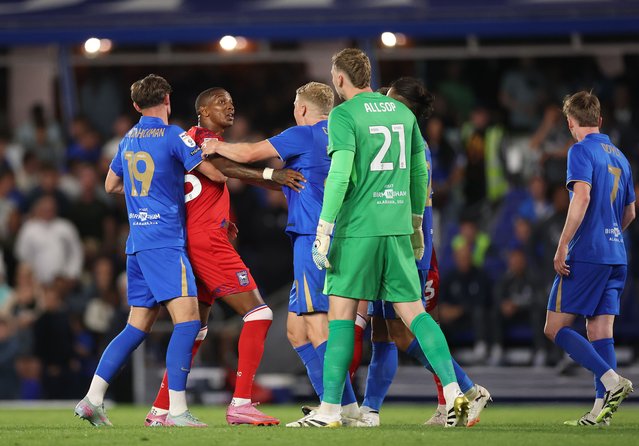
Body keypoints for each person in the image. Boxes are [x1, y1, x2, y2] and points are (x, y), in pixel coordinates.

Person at [299, 48, 467, 428]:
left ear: (340, 78)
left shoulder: (343, 114)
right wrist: (416, 225)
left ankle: (329, 410)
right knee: (415, 314)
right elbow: (420, 176)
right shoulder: (402, 113)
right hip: (396, 229)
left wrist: (324, 228)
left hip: (357, 229)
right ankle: (456, 391)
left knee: (342, 316)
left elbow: (340, 174)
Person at [200, 82, 364, 426]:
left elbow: (247, 154)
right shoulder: (343, 134)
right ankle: (343, 407)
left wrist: (215, 144)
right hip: (340, 235)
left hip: (311, 235)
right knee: (295, 330)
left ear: (302, 109)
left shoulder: (302, 134)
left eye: (294, 104)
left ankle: (335, 409)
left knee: (317, 324)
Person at [74, 74, 229, 427]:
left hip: (137, 243)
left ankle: (92, 398)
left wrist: (141, 194)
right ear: (168, 100)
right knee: (189, 322)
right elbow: (215, 177)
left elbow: (111, 184)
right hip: (164, 241)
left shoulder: (128, 138)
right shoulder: (174, 135)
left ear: (135, 105)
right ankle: (175, 411)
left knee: (135, 327)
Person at [144, 87, 304, 427]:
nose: (230, 108)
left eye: (232, 102)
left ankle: (160, 409)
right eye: (221, 103)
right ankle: (242, 402)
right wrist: (269, 174)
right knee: (259, 314)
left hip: (194, 237)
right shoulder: (199, 138)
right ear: (202, 110)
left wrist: (223, 218)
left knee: (196, 329)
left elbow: (201, 187)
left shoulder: (186, 141)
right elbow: (222, 168)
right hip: (206, 242)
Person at [357, 77, 491, 428]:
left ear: (400, 104)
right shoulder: (408, 140)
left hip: (409, 248)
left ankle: (466, 388)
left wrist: (419, 253)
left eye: (387, 97)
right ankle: (370, 410)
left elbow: (418, 203)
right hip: (396, 243)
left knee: (404, 331)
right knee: (384, 333)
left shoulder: (412, 144)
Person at [543, 91, 635, 427]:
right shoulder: (621, 157)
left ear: (570, 122)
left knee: (554, 328)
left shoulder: (580, 150)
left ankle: (612, 381)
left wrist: (563, 243)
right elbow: (630, 211)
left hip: (588, 254)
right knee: (600, 331)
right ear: (599, 119)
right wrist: (610, 232)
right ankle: (601, 413)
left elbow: (580, 197)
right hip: (617, 255)